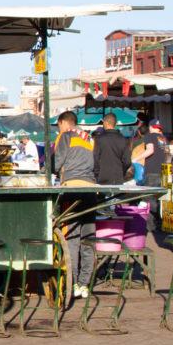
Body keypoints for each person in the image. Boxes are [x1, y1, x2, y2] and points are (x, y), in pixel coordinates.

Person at [52, 111, 95, 299]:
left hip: (72, 187)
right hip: (91, 189)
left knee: (72, 237)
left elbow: (57, 162)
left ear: (63, 123)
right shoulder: (88, 138)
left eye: (58, 125)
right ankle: (85, 284)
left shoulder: (65, 135)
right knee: (88, 236)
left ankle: (73, 281)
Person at [93, 113, 132, 185]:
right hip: (118, 178)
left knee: (103, 196)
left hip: (102, 178)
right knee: (117, 196)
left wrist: (97, 174)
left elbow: (95, 159)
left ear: (106, 123)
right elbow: (128, 161)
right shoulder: (123, 139)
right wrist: (121, 171)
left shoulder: (99, 139)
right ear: (115, 124)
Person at [139, 119, 169, 187]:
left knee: (149, 196)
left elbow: (150, 150)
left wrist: (136, 159)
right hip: (163, 172)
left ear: (150, 127)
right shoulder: (164, 139)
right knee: (161, 196)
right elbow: (167, 153)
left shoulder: (149, 136)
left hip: (151, 172)